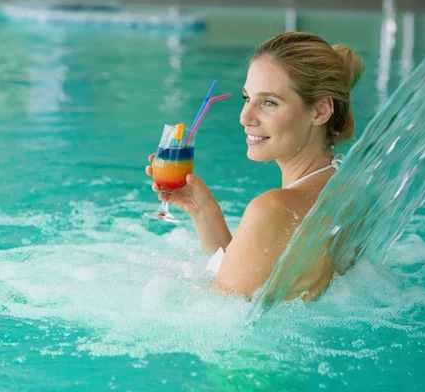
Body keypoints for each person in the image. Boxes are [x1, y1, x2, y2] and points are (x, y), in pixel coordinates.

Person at [145, 32, 364, 300]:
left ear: (320, 111)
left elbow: (214, 316)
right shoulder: (348, 189)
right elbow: (253, 279)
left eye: (269, 102)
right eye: (247, 98)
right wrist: (203, 210)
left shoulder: (273, 209)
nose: (245, 117)